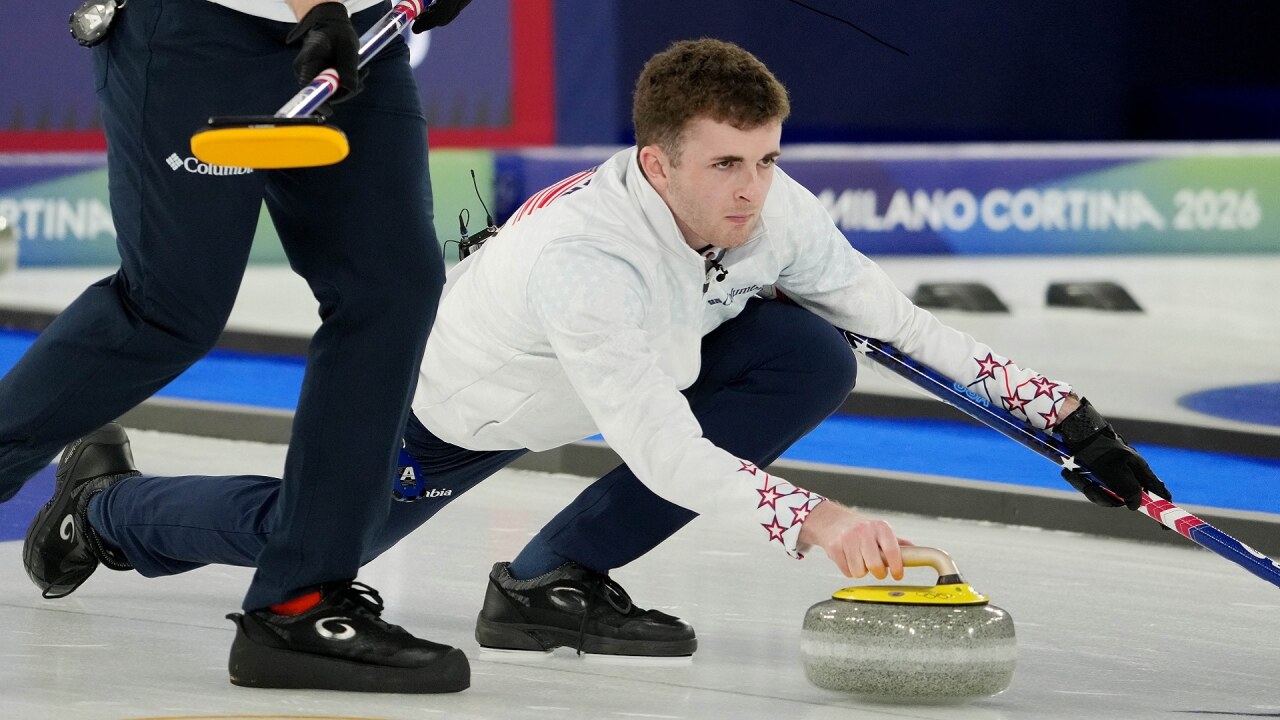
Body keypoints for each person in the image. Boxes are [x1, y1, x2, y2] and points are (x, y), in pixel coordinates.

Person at [24, 37, 1171, 683]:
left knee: (808, 355)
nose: (752, 191)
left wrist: (1069, 425)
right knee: (306, 539)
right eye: (726, 165)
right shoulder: (589, 263)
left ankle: (547, 585)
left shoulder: (775, 215)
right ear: (655, 162)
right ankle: (108, 507)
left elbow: (903, 327)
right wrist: (818, 522)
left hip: (633, 371)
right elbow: (664, 450)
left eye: (766, 159)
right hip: (458, 405)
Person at [10, 0, 476, 696]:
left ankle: (298, 602)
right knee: (167, 309)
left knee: (390, 288)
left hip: (354, 32)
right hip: (203, 29)